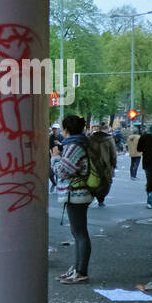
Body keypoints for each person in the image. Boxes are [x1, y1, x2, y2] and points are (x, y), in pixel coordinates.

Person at [50, 114, 93, 284]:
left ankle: (81, 271)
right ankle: (77, 268)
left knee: (80, 233)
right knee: (77, 233)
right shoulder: (77, 143)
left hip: (77, 194)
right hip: (76, 193)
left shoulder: (75, 146)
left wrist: (55, 157)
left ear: (66, 129)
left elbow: (62, 171)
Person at [89, 124, 117, 207]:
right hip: (106, 165)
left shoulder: (91, 138)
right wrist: (114, 164)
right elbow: (113, 154)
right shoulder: (109, 139)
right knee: (105, 182)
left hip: (93, 163)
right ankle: (101, 199)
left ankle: (92, 194)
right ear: (107, 129)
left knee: (93, 179)